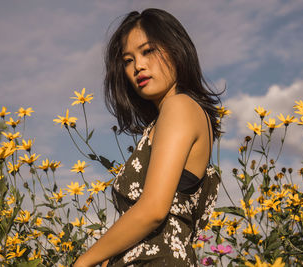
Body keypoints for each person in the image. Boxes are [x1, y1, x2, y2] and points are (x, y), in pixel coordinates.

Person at [74, 8, 221, 267]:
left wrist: (82, 263)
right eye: (128, 60)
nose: (138, 66)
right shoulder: (170, 115)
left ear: (176, 49)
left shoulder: (179, 106)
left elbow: (153, 209)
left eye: (148, 51)